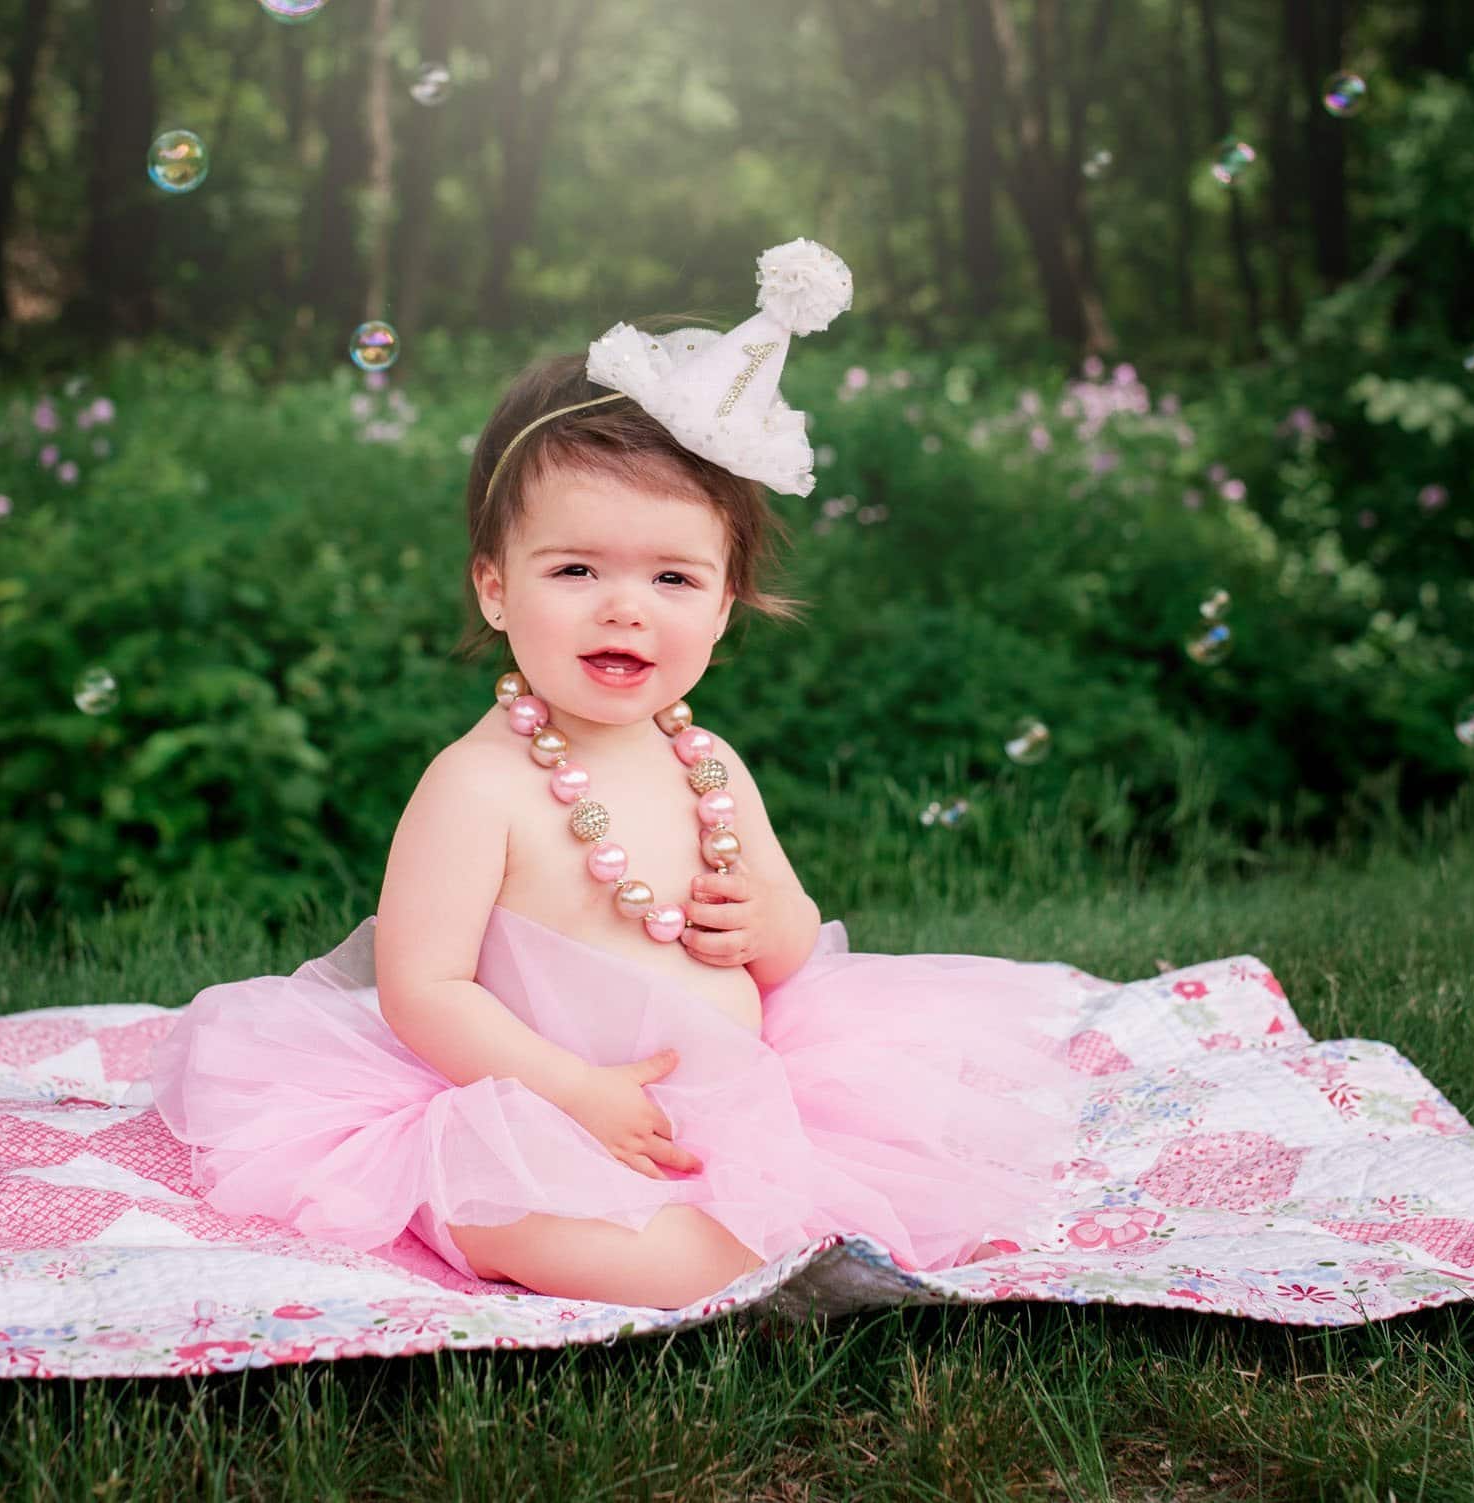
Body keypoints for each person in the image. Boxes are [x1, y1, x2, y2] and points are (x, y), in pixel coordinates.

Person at [149, 241, 1091, 1310]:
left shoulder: (708, 762)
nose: (624, 606)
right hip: (528, 1102)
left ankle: (790, 1255)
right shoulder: (477, 785)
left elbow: (793, 945)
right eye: (576, 570)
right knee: (514, 1209)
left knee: (870, 1160)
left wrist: (761, 921)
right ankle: (757, 1285)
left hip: (728, 1101)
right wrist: (575, 1095)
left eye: (672, 576)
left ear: (724, 606)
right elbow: (424, 989)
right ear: (496, 590)